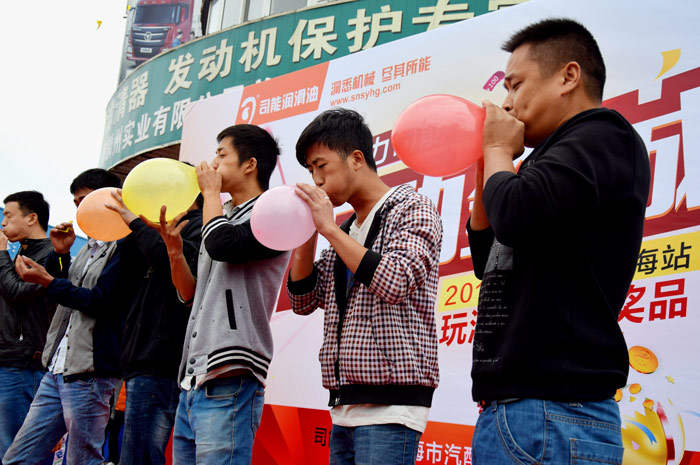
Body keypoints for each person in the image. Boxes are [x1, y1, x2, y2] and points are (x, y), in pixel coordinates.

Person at [466, 19, 651, 464]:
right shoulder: (545, 161)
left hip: (554, 411)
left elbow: (514, 215)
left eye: (516, 85)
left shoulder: (602, 134)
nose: (507, 103)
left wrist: (498, 151)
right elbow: (488, 257)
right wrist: (488, 163)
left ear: (568, 76)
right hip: (528, 413)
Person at [287, 108, 443, 465]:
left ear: (356, 159)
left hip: (391, 408)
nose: (316, 180)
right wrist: (307, 232)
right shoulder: (344, 231)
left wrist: (327, 229)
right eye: (310, 171)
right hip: (343, 408)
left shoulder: (411, 207)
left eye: (321, 166)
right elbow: (303, 300)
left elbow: (395, 280)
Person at [160, 125, 290, 465]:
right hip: (194, 378)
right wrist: (174, 251)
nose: (213, 163)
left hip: (230, 375)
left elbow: (222, 245)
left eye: (221, 154)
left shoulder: (273, 213)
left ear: (249, 164)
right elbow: (189, 295)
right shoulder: (220, 216)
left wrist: (210, 194)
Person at [4, 169, 141, 465]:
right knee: (19, 457)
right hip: (57, 367)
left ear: (112, 199)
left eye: (86, 200)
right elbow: (66, 292)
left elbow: (100, 301)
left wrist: (47, 281)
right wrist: (61, 255)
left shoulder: (127, 245)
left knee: (82, 459)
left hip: (92, 371)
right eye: (77, 202)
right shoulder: (89, 246)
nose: (81, 209)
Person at [105, 189, 203, 465]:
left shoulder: (197, 226)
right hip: (140, 359)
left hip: (161, 361)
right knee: (133, 452)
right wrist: (131, 227)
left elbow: (168, 260)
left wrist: (136, 223)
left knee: (141, 455)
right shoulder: (150, 231)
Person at [0, 191, 55, 462]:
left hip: (23, 364)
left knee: (15, 447)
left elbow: (17, 293)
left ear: (31, 218)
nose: (3, 223)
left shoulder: (51, 254)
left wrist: (1, 254)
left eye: (9, 216)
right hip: (9, 360)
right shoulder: (20, 252)